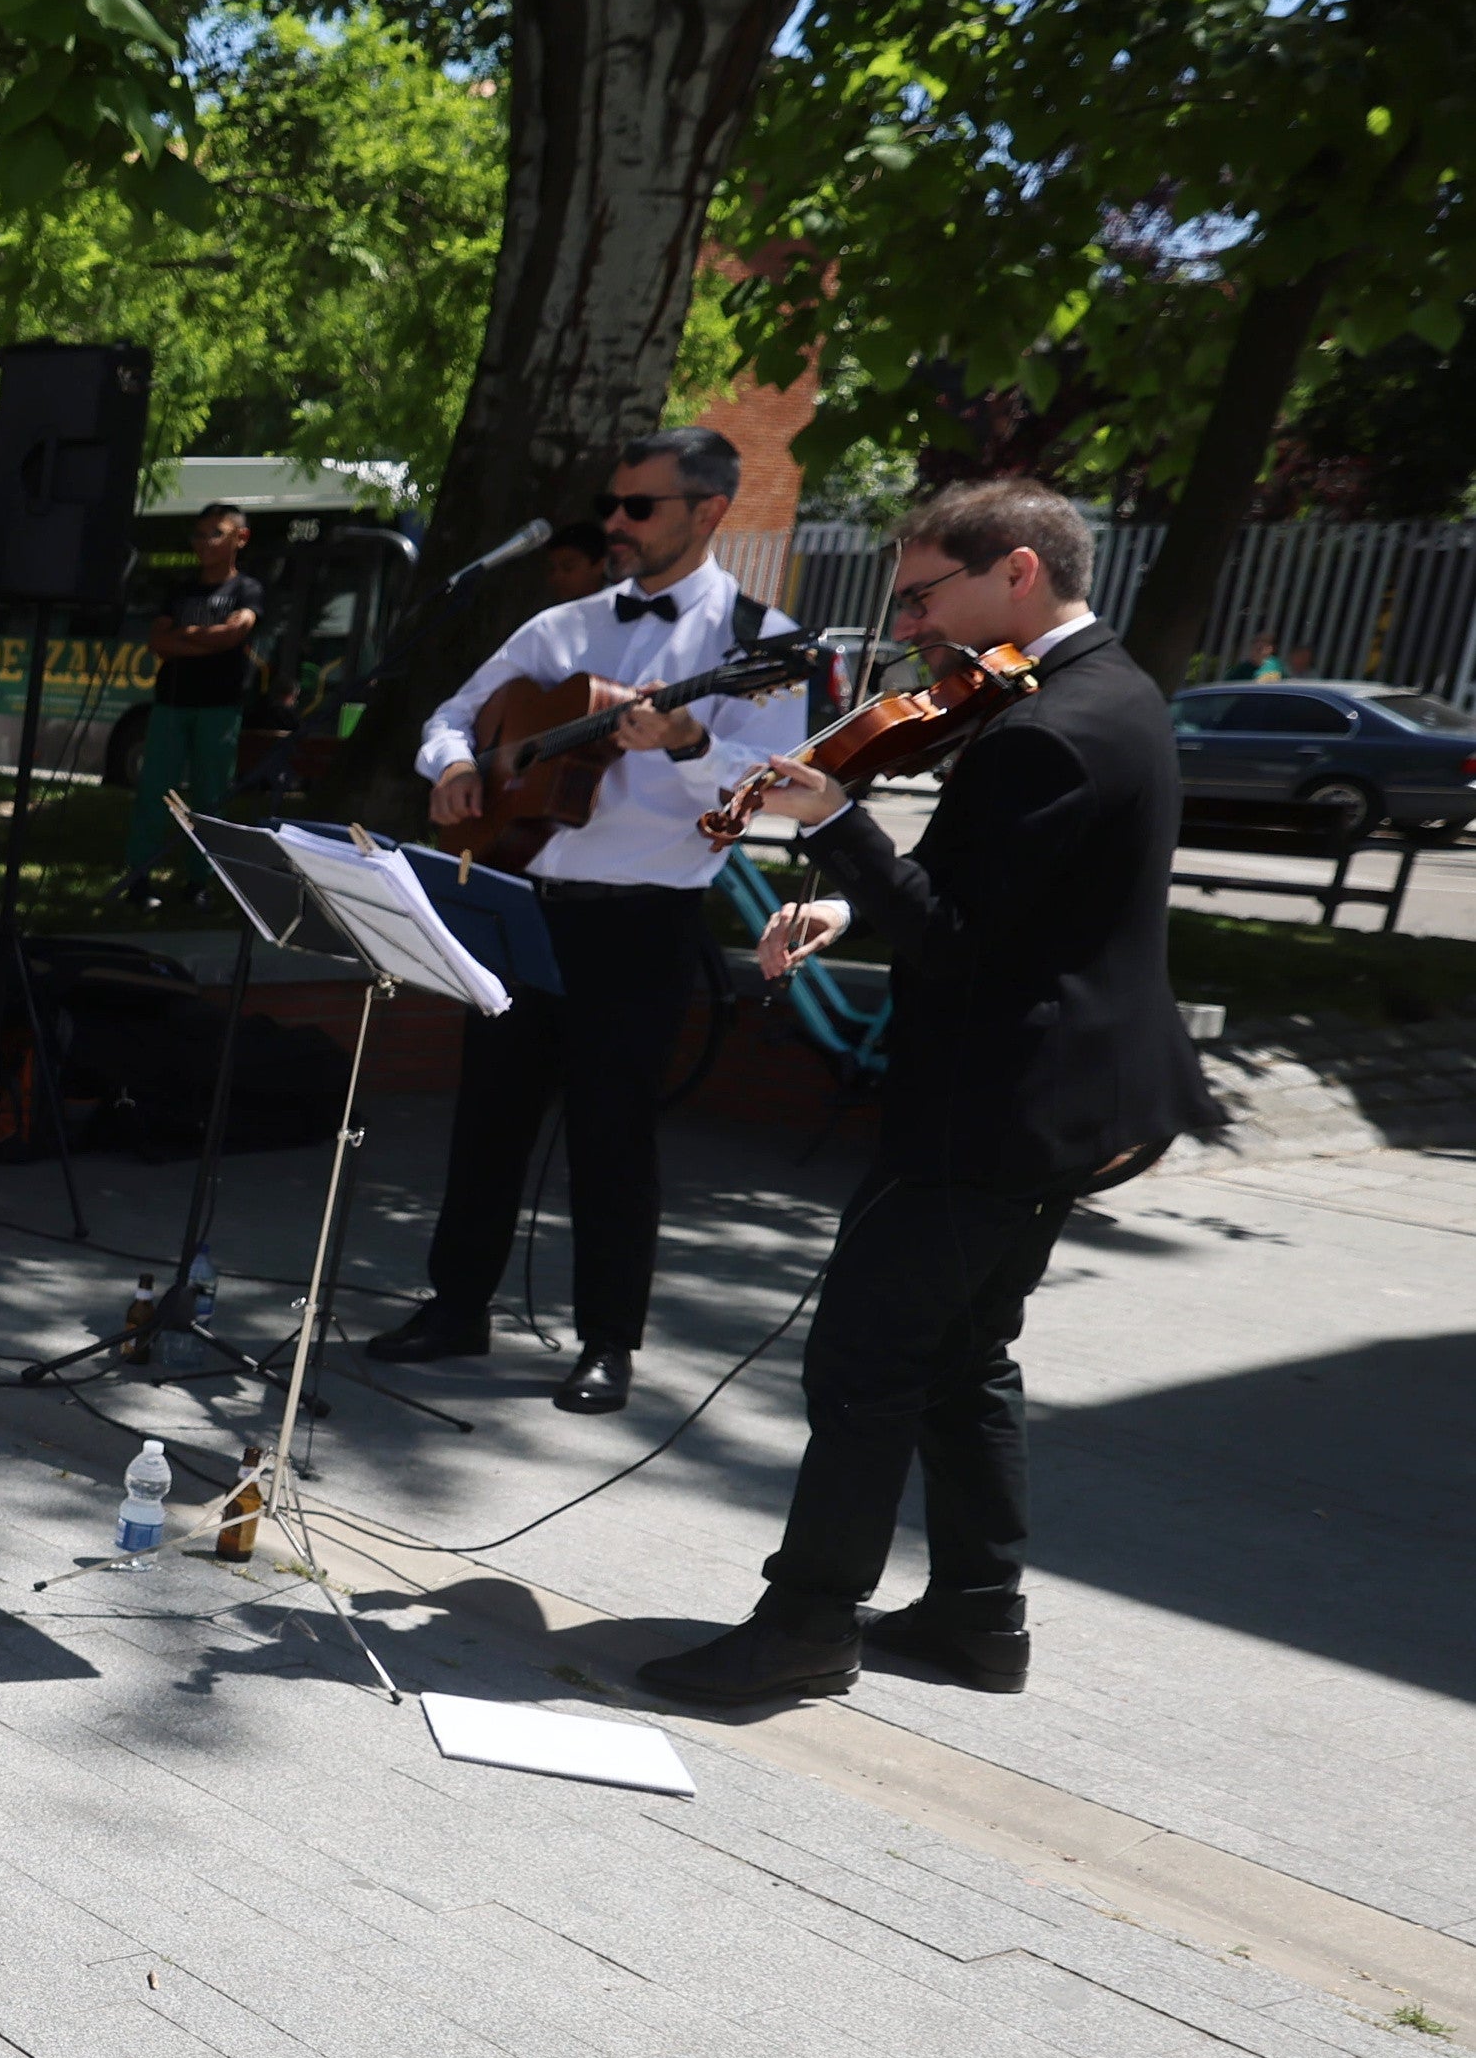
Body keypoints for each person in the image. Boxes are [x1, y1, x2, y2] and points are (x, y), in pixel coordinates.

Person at [634, 479, 1209, 1713]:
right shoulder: (1106, 688)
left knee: (865, 1362)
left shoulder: (1046, 726)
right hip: (1068, 1092)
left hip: (996, 1103)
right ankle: (972, 1615)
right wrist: (848, 901)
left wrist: (836, 820)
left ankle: (801, 1626)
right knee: (961, 1355)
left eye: (920, 592)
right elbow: (997, 892)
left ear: (1012, 571)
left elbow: (948, 932)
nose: (909, 623)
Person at [375, 427, 817, 1414]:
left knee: (612, 1137)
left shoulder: (761, 641)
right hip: (519, 892)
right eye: (611, 503)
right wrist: (450, 766)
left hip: (639, 922)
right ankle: (454, 1307)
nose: (612, 522)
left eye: (636, 507)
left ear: (706, 511)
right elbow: (451, 715)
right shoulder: (561, 627)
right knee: (485, 1115)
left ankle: (605, 1341)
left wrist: (688, 741)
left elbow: (760, 796)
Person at [121, 504, 264, 898]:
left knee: (210, 796)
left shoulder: (247, 590)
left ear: (240, 538)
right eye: (199, 535)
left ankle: (199, 881)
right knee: (154, 790)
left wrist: (186, 637)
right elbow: (157, 642)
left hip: (220, 707)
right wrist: (208, 639)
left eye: (215, 533)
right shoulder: (181, 589)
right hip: (171, 703)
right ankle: (140, 876)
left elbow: (234, 635)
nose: (204, 543)